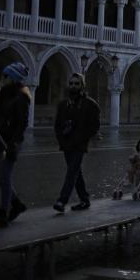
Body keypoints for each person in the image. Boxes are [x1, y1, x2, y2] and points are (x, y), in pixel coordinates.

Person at [0, 63, 31, 227]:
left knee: (4, 176)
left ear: (13, 78)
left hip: (11, 142)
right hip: (0, 140)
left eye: (5, 76)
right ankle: (17, 204)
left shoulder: (21, 97)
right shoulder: (3, 95)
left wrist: (13, 143)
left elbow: (22, 123)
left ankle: (3, 213)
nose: (2, 78)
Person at [53, 73, 100, 212]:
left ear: (82, 85)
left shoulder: (90, 104)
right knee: (75, 172)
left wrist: (82, 137)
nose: (73, 86)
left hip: (80, 144)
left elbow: (94, 126)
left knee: (72, 171)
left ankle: (62, 200)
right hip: (66, 143)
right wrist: (61, 139)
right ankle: (84, 199)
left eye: (77, 83)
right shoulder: (63, 104)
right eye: (71, 83)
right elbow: (57, 125)